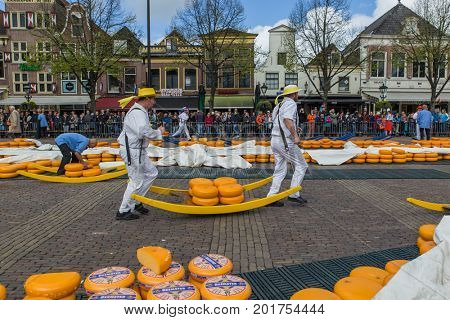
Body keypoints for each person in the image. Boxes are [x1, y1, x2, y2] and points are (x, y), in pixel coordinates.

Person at [116, 88, 165, 221]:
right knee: (135, 180)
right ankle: (123, 210)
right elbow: (143, 131)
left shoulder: (141, 112)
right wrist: (158, 132)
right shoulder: (137, 113)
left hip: (138, 150)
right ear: (147, 99)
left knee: (151, 173)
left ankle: (137, 201)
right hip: (132, 150)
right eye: (153, 99)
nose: (154, 103)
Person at [266, 85, 309, 207]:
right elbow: (287, 120)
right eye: (297, 93)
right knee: (301, 165)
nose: (298, 95)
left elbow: (278, 122)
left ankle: (271, 197)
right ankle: (294, 194)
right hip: (285, 142)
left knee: (280, 169)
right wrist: (295, 135)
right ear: (294, 94)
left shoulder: (279, 105)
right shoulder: (291, 104)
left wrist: (294, 127)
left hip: (275, 140)